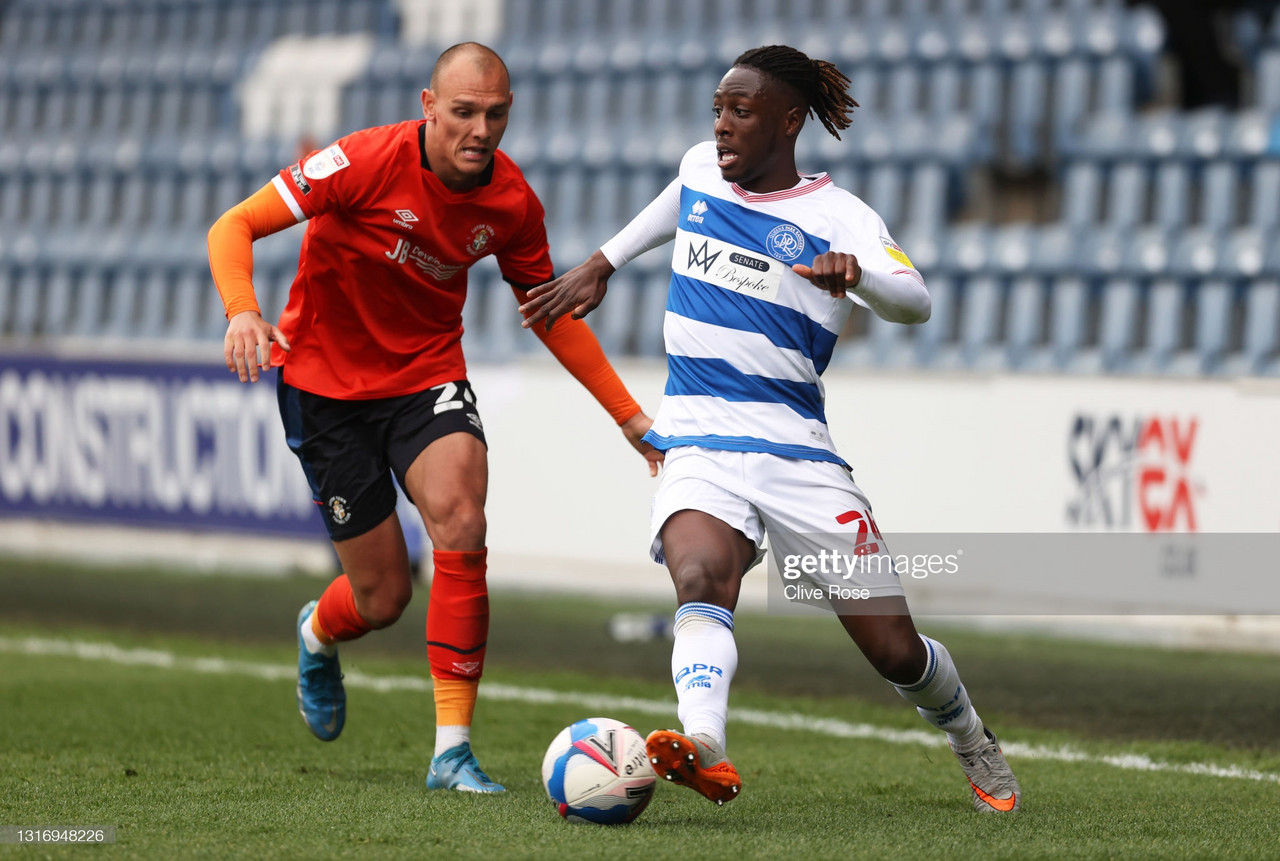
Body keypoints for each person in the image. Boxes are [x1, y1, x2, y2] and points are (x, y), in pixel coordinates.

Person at [520, 45, 1021, 813]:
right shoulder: (699, 168)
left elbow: (916, 299)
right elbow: (672, 202)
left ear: (789, 122)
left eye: (740, 111)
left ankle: (967, 731)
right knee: (699, 579)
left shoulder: (837, 216)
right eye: (718, 108)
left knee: (895, 649)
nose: (722, 125)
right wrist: (604, 260)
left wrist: (860, 276)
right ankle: (705, 744)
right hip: (696, 436)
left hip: (797, 453)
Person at [207, 42, 661, 794]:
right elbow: (234, 226)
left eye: (496, 114)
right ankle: (317, 633)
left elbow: (548, 312)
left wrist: (627, 414)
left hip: (425, 377)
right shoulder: (360, 161)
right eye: (464, 112)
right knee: (382, 597)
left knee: (461, 517)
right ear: (428, 107)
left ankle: (452, 751)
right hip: (324, 387)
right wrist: (244, 313)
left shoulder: (511, 202)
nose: (481, 129)